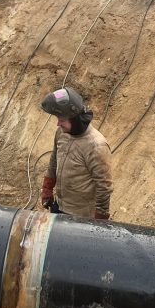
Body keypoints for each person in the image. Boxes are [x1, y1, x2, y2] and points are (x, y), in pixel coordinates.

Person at [39, 87, 113, 220]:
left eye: (62, 120)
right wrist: (47, 188)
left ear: (74, 119)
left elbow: (104, 187)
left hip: (81, 217)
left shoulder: (96, 146)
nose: (58, 124)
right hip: (59, 207)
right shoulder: (62, 133)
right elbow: (54, 160)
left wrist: (100, 220)